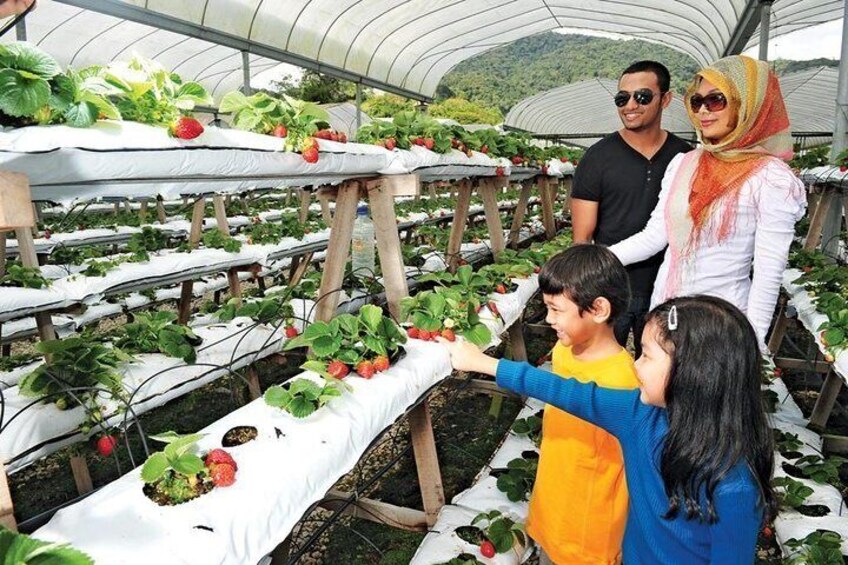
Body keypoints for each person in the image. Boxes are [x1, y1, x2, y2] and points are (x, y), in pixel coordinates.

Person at [438, 295, 776, 564]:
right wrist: (483, 363)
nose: (636, 365)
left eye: (645, 355)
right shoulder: (637, 414)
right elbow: (565, 391)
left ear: (695, 374)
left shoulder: (735, 486)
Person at [609, 55, 806, 348]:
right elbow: (655, 236)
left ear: (747, 105)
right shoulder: (685, 163)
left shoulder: (770, 178)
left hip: (718, 327)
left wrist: (753, 346)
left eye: (716, 100)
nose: (703, 111)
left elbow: (767, 271)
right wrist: (596, 260)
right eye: (697, 101)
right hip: (665, 314)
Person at [571, 61, 692, 357]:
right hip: (612, 289)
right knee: (600, 370)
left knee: (666, 370)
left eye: (642, 96)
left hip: (669, 289)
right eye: (622, 99)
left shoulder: (687, 157)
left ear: (665, 98)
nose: (630, 105)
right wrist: (585, 294)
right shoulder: (598, 158)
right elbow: (582, 239)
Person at [527, 244, 637, 565]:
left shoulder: (621, 381)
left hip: (590, 527)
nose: (548, 319)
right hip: (553, 501)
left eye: (556, 309)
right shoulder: (564, 350)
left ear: (598, 309)